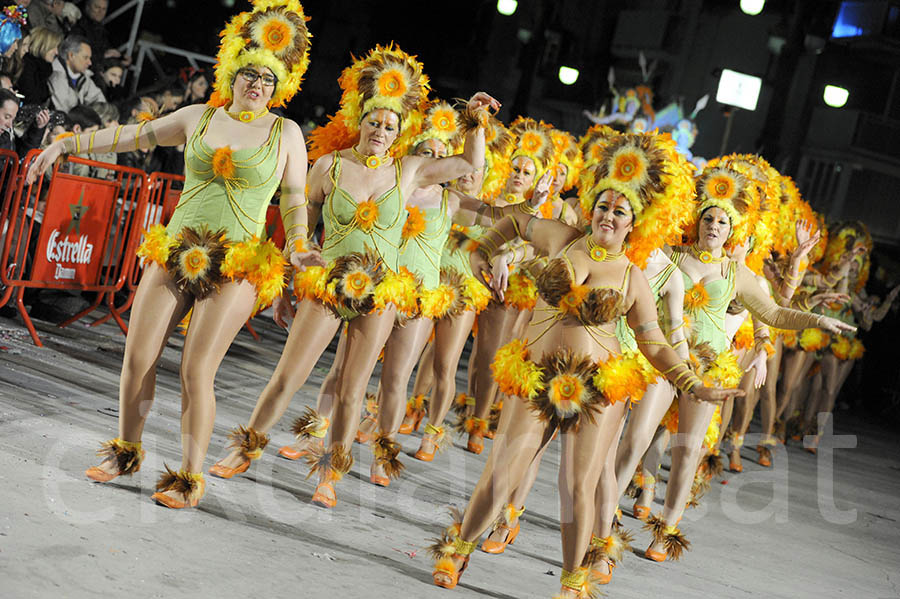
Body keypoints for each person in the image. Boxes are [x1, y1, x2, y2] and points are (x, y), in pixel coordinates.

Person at [25, 0, 314, 509]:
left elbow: (293, 198)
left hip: (239, 264)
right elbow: (131, 135)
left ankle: (188, 477)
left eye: (268, 80)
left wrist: (300, 246)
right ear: (232, 73)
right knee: (137, 357)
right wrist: (66, 145)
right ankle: (126, 451)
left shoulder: (285, 133)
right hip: (178, 247)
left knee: (195, 371)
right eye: (249, 74)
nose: (257, 85)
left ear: (279, 87)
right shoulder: (198, 117)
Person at [429, 132, 734, 598]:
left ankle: (573, 583)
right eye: (603, 205)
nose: (608, 215)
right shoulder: (561, 236)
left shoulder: (634, 278)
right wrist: (479, 252)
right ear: (591, 207)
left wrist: (692, 383)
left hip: (596, 390)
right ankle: (459, 550)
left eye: (620, 211)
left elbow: (654, 343)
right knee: (503, 470)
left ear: (635, 223)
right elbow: (513, 222)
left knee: (577, 486)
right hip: (537, 375)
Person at [207, 44, 498, 510]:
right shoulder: (329, 166)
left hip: (377, 293)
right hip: (326, 288)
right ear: (360, 120)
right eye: (374, 122)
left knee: (352, 389)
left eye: (390, 126)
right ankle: (244, 447)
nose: (381, 131)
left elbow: (467, 165)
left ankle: (329, 474)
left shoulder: (409, 170)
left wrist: (476, 120)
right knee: (288, 376)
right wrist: (283, 288)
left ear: (399, 132)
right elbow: (297, 231)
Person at [48, 34, 106, 112]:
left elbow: (100, 102)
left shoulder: (83, 76)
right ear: (71, 55)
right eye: (85, 57)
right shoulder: (55, 76)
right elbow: (62, 112)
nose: (90, 63)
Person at [18, 27, 64, 105]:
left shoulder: (42, 69)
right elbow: (30, 100)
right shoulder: (27, 67)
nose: (56, 52)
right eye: (53, 47)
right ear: (43, 45)